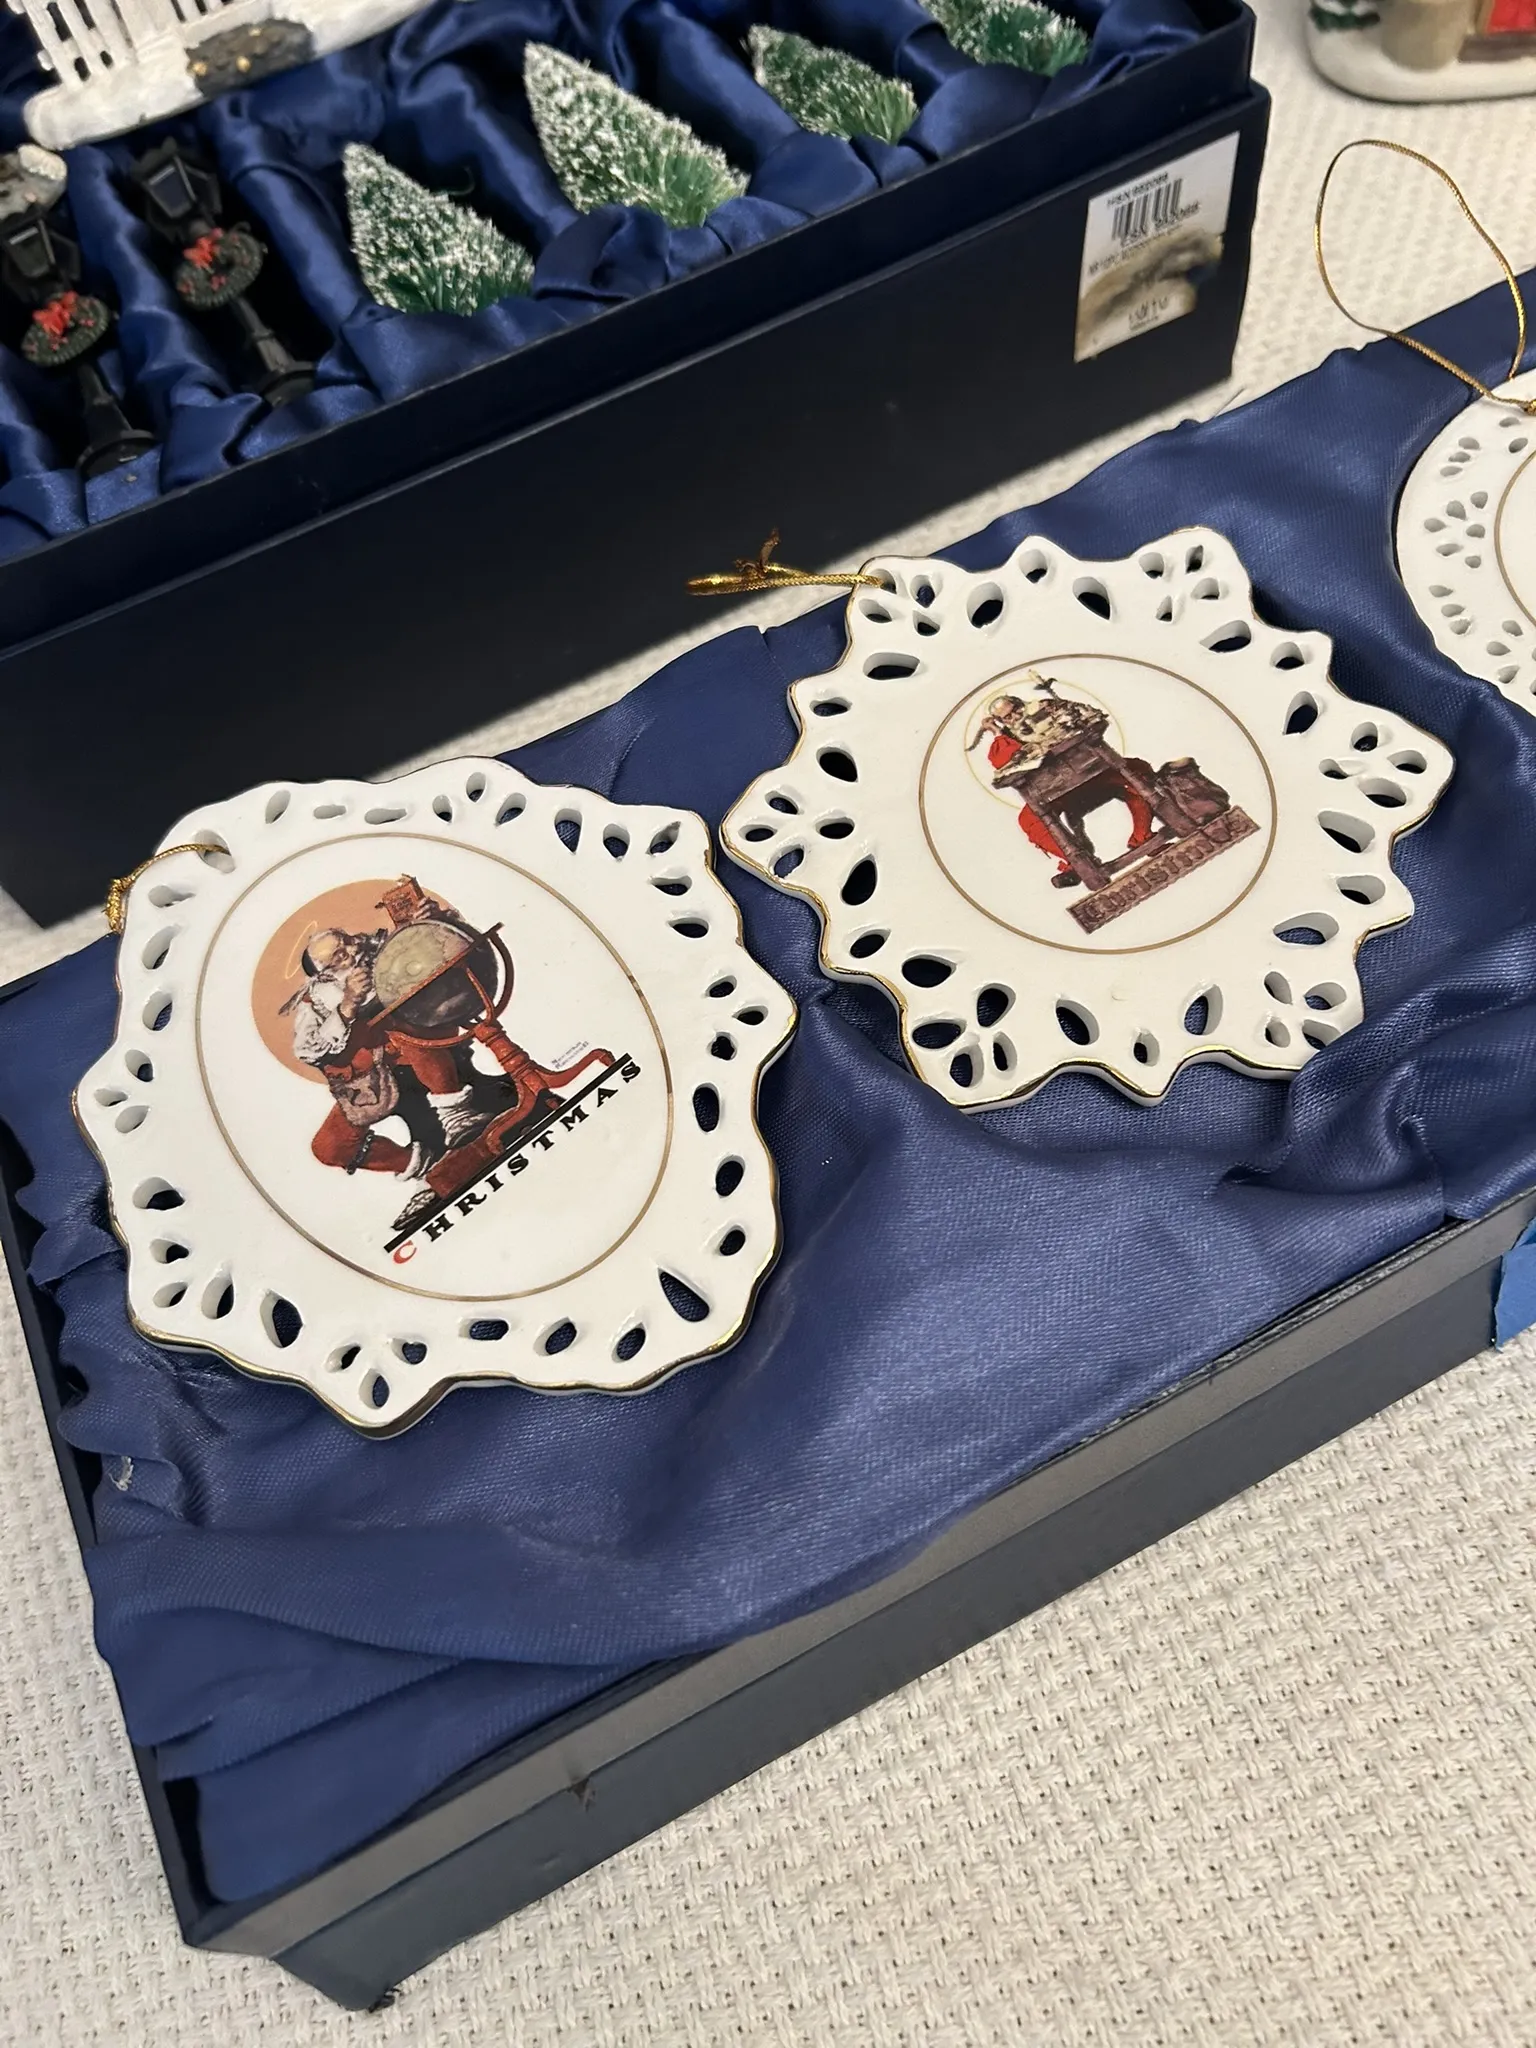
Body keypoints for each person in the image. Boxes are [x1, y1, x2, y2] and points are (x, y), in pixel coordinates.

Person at [285, 924, 491, 1183]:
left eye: (346, 940)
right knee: (329, 1147)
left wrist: (427, 923)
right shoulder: (316, 1000)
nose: (351, 950)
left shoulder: (387, 948)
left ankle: (456, 1116)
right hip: (371, 1081)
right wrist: (347, 1005)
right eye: (338, 956)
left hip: (421, 1048)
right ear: (325, 974)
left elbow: (441, 946)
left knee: (401, 1032)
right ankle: (427, 1168)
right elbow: (307, 1050)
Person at [973, 680, 1154, 884]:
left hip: (1094, 773)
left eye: (1016, 710)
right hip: (1056, 792)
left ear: (1020, 703)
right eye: (1007, 717)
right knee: (1029, 820)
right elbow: (1004, 760)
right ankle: (1078, 863)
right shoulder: (1006, 738)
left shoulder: (1047, 708)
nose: (1015, 717)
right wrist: (996, 732)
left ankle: (1143, 835)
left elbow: (1089, 717)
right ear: (1002, 722)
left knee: (1137, 769)